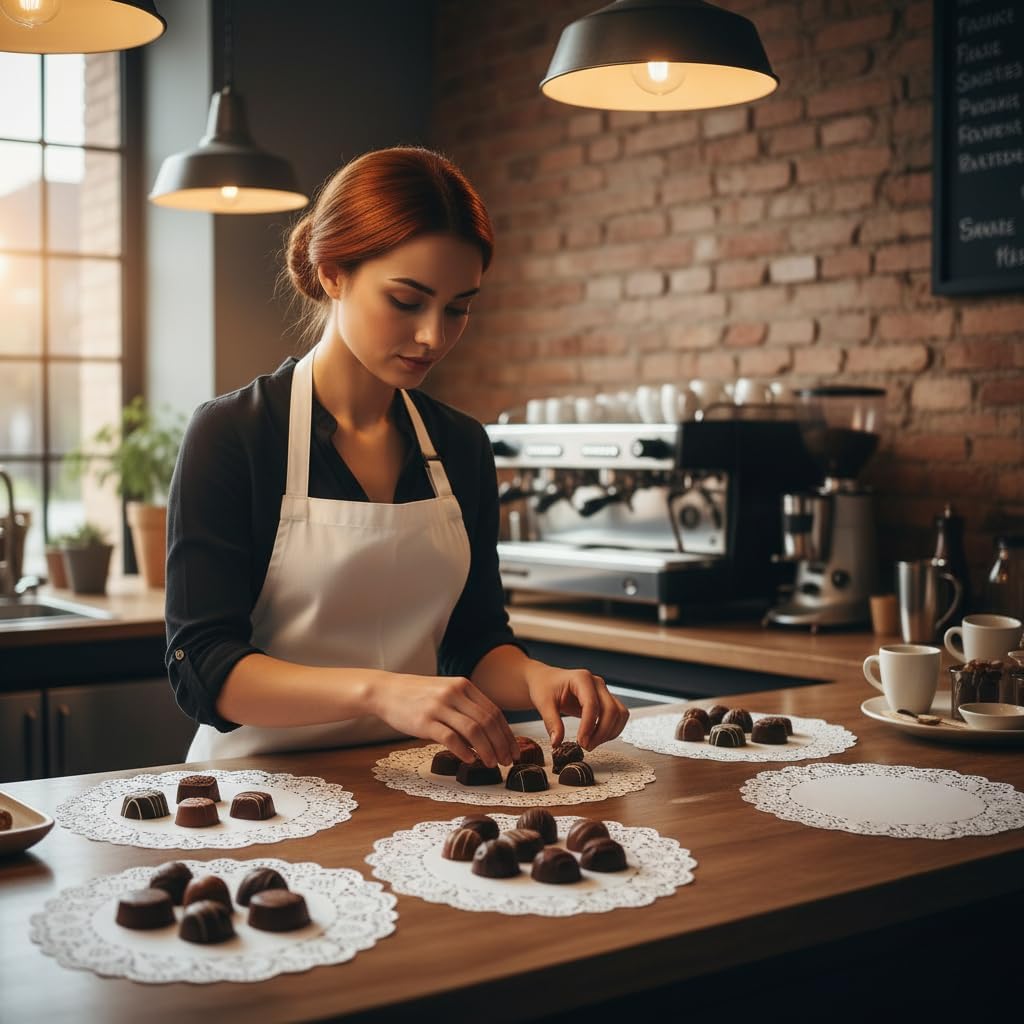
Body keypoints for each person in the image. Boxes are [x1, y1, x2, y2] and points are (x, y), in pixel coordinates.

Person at [165, 146, 629, 764]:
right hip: (260, 793)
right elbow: (204, 668)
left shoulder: (460, 446)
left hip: (410, 785)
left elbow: (472, 642)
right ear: (333, 273)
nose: (434, 335)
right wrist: (380, 692)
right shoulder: (234, 434)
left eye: (458, 307)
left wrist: (537, 678)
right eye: (407, 301)